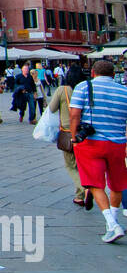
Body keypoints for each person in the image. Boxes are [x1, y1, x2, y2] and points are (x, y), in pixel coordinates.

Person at [69, 59, 127, 242]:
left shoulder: (83, 87)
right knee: (117, 184)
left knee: (95, 184)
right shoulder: (124, 91)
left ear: (93, 73)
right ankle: (113, 222)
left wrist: (74, 137)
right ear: (113, 74)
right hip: (117, 143)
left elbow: (74, 114)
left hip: (91, 143)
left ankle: (112, 224)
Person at [48, 65, 91, 209]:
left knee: (70, 165)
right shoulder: (86, 89)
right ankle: (79, 197)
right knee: (81, 165)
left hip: (67, 132)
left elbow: (52, 108)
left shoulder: (63, 90)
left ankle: (84, 188)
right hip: (85, 133)